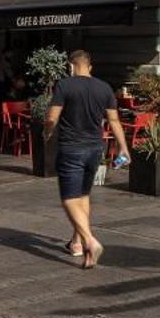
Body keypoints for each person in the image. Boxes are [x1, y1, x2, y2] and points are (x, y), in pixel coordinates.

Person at [45, 50, 129, 269]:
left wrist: (47, 132)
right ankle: (77, 243)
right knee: (83, 196)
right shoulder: (104, 87)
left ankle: (90, 241)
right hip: (95, 149)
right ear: (90, 67)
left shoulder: (64, 85)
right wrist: (123, 147)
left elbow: (52, 117)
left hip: (72, 148)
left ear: (71, 66)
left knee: (69, 199)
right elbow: (114, 120)